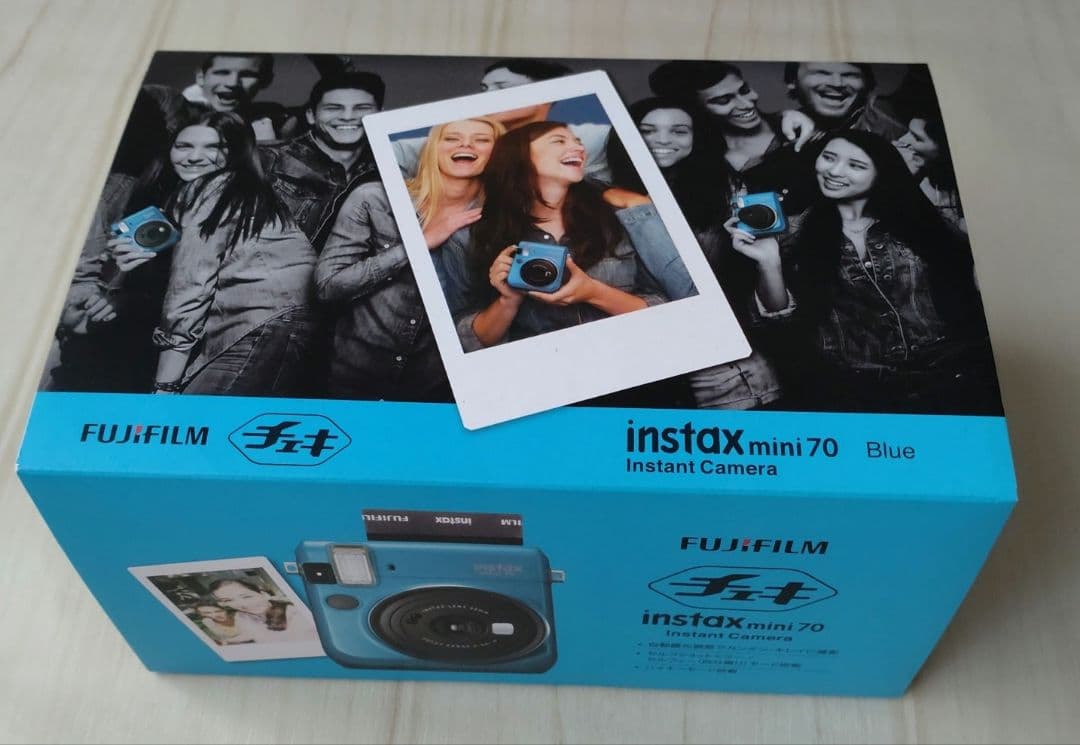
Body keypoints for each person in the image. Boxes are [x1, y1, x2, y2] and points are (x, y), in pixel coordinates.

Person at [727, 129, 1000, 414]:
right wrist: (768, 262)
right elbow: (781, 325)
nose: (835, 171)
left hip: (953, 376)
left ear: (881, 174)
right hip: (860, 392)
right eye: (828, 158)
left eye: (855, 165)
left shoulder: (920, 222)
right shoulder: (792, 233)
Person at [605, 97, 784, 409]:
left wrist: (641, 210)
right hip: (639, 370)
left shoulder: (724, 190)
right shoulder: (604, 195)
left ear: (696, 138)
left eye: (679, 131)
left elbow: (723, 287)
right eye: (647, 130)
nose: (663, 140)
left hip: (726, 377)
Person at [316, 117, 505, 402]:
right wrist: (418, 245)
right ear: (433, 148)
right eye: (452, 137)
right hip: (354, 375)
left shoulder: (504, 220)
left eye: (482, 139)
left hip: (440, 386)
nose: (466, 145)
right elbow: (327, 287)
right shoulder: (375, 198)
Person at [449, 121, 669, 357]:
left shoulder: (618, 216)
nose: (579, 148)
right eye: (559, 141)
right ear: (521, 155)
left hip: (632, 354)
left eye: (578, 142)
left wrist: (594, 292)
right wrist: (508, 300)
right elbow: (464, 343)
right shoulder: (471, 236)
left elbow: (666, 307)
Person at [146, 112, 317, 396]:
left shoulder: (212, 187)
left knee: (193, 417)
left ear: (235, 153)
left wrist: (165, 385)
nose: (194, 157)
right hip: (282, 320)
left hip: (266, 321)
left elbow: (190, 289)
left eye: (213, 147)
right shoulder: (244, 189)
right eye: (184, 146)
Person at [393, 58, 613, 183]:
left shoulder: (591, 137)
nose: (487, 96)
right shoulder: (455, 142)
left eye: (501, 87)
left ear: (545, 92)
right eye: (484, 89)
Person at [648, 61, 820, 212]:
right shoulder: (696, 164)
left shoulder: (801, 125)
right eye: (724, 100)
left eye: (744, 90)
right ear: (697, 110)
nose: (746, 104)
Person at [261, 72, 385, 250]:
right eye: (333, 108)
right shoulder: (267, 162)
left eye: (361, 108)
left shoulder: (393, 168)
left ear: (380, 114)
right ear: (311, 115)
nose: (347, 116)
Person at [140, 53, 294, 143]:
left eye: (247, 74)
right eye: (222, 72)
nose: (232, 83)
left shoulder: (273, 119)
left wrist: (267, 143)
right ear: (201, 77)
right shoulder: (163, 108)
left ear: (266, 80)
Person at [783, 62, 906, 140]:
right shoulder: (782, 128)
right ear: (792, 81)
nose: (837, 83)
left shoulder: (893, 131)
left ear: (867, 82)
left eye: (850, 75)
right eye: (822, 73)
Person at [208, 579, 316, 644]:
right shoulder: (241, 616)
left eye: (246, 596)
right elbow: (252, 634)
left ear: (263, 594)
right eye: (228, 600)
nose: (243, 604)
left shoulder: (296, 613)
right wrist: (226, 641)